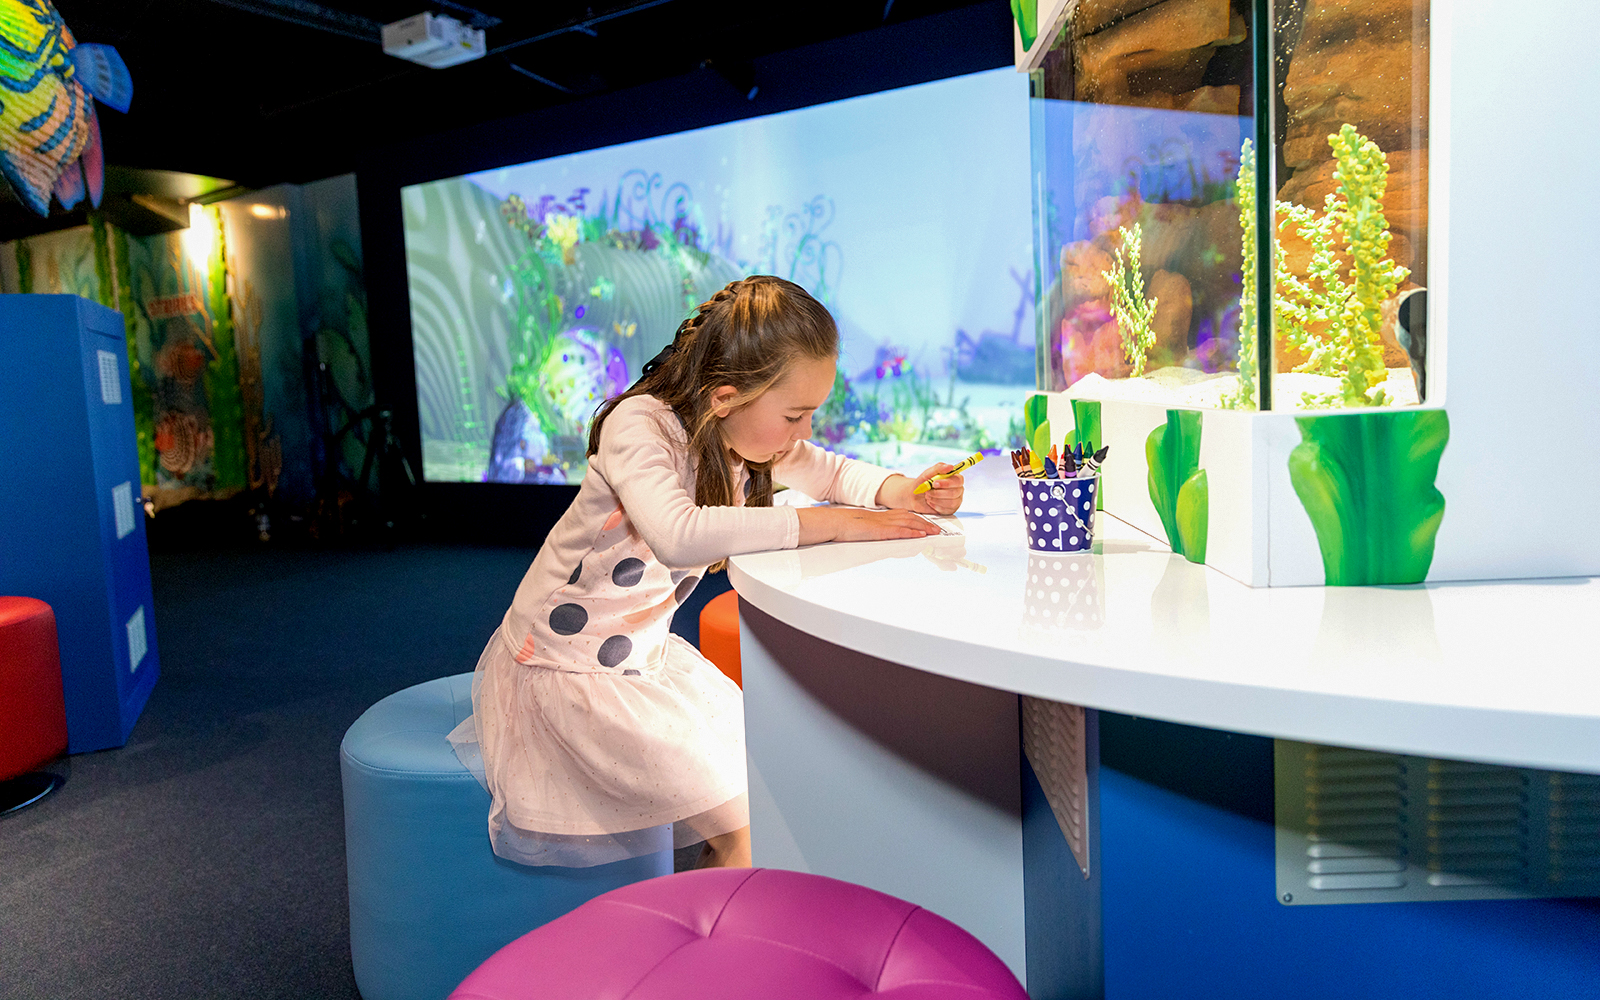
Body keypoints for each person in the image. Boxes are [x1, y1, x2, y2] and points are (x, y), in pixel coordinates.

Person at [448, 275, 967, 869]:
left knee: (761, 793)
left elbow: (827, 470)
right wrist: (832, 523)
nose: (804, 432)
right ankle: (702, 954)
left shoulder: (742, 431)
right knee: (748, 825)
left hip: (639, 661)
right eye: (796, 415)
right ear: (724, 397)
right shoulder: (639, 425)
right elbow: (677, 534)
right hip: (567, 669)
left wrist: (904, 490)